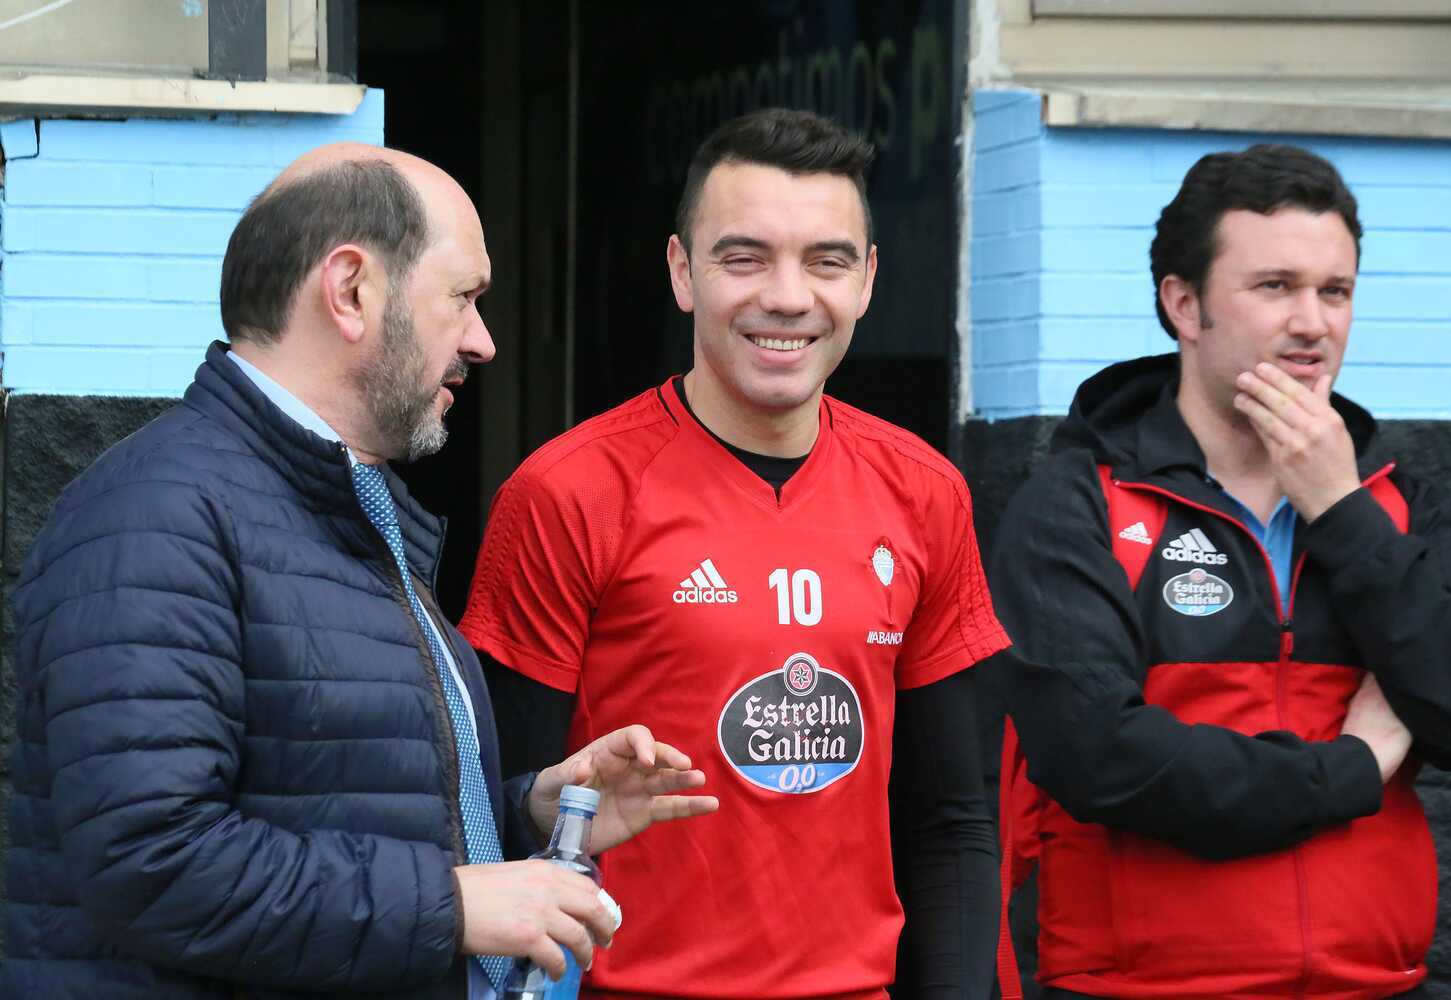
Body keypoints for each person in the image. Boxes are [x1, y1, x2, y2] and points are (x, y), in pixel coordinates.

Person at [3, 143, 717, 1000]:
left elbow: (343, 798)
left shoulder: (334, 504)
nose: (483, 342)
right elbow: (150, 862)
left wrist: (527, 811)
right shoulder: (156, 514)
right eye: (463, 297)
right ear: (350, 291)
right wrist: (457, 904)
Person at [460, 108, 1010, 999]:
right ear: (683, 272)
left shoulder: (926, 493)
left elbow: (951, 824)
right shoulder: (567, 493)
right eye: (744, 257)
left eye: (826, 261)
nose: (788, 297)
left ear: (868, 281)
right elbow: (488, 814)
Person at [988, 144, 1451, 999]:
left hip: (1372, 987)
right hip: (1140, 992)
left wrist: (1339, 511)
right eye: (1275, 286)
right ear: (1183, 304)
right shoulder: (1080, 503)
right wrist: (1350, 769)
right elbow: (1101, 759)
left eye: (1334, 291)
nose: (1313, 322)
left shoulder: (1400, 505)